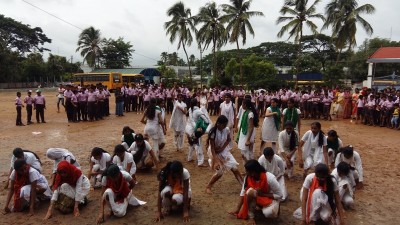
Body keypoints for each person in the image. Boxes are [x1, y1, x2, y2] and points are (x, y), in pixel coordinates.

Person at [229, 160, 283, 224]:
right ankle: (252, 215)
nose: (245, 172)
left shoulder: (270, 178)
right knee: (249, 192)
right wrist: (238, 208)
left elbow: (280, 195)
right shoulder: (247, 177)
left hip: (270, 198)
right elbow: (243, 192)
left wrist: (263, 194)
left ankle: (274, 206)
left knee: (268, 213)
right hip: (258, 197)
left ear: (253, 172)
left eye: (247, 171)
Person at [205, 115, 243, 194]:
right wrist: (215, 160)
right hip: (213, 152)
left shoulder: (226, 129)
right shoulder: (213, 132)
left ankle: (244, 186)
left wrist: (222, 148)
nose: (225, 126)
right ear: (218, 123)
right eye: (224, 125)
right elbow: (212, 148)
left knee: (234, 168)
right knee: (220, 172)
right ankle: (208, 186)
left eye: (226, 125)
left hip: (224, 151)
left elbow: (228, 139)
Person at [185, 98, 211, 167]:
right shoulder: (198, 111)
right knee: (198, 144)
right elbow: (206, 120)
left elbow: (187, 115)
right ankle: (200, 162)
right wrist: (203, 125)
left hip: (188, 128)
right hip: (193, 129)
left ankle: (189, 158)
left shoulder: (190, 109)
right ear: (197, 103)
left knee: (191, 143)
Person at [236, 99, 259, 164]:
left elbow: (251, 127)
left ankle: (250, 168)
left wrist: (248, 139)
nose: (241, 105)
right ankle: (247, 168)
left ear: (245, 105)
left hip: (247, 135)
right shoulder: (245, 112)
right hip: (243, 133)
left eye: (242, 104)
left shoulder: (250, 114)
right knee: (243, 152)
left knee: (248, 152)